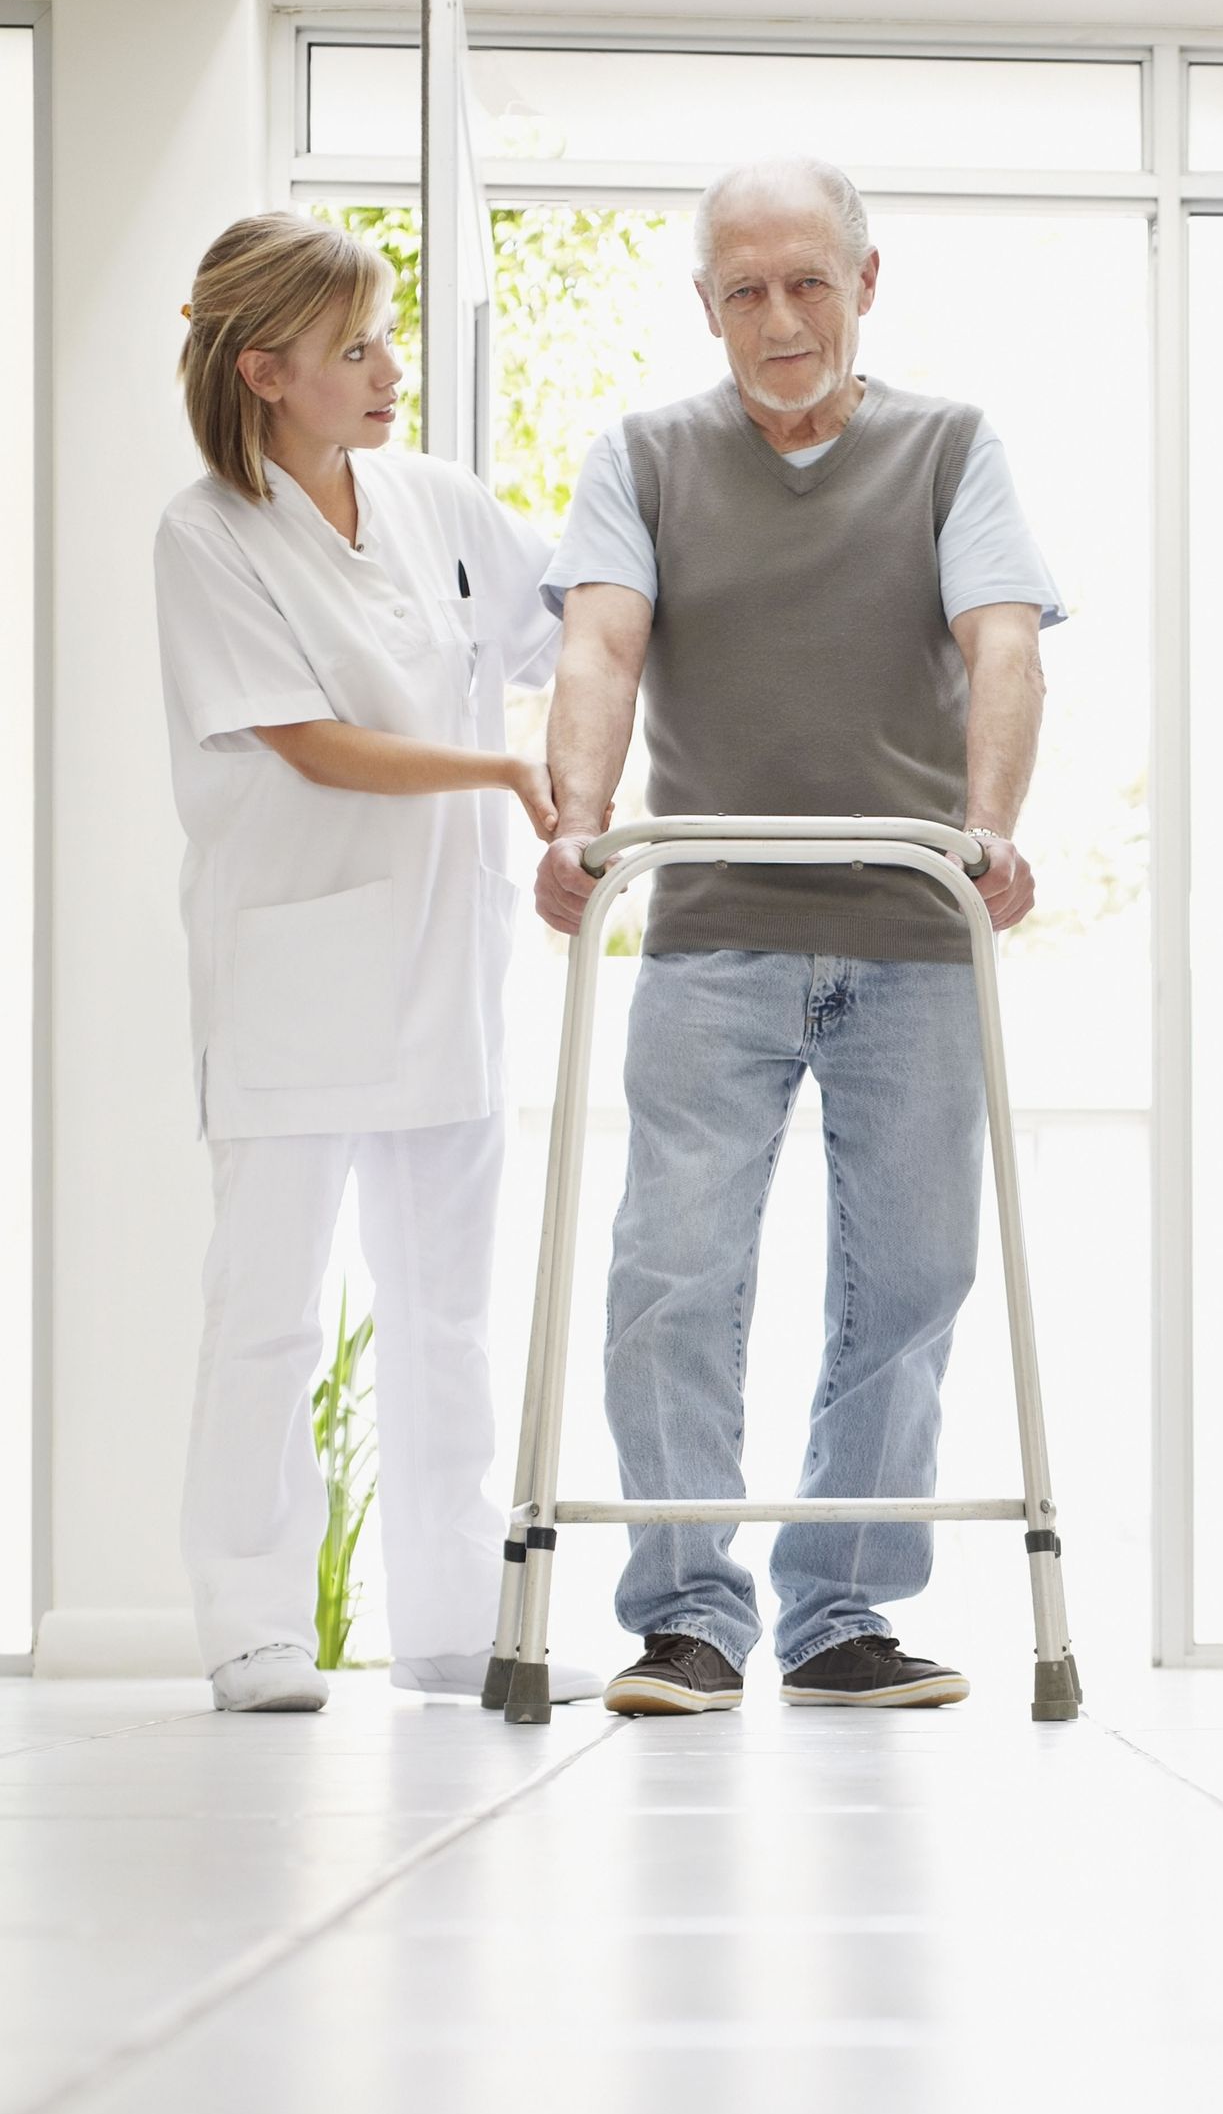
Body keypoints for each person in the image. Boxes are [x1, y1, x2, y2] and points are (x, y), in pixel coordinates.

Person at [537, 155, 1061, 1716]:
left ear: (865, 282)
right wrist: (579, 815)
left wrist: (990, 830)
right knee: (672, 1274)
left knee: (910, 1278)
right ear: (707, 302)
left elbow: (1007, 647)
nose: (781, 318)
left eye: (808, 282)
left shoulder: (952, 448)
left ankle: (839, 1614)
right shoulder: (640, 455)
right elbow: (598, 648)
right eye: (746, 290)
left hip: (910, 926)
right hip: (713, 926)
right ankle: (690, 1612)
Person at [154, 211, 598, 1712]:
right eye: (356, 350)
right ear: (267, 369)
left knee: (445, 1312)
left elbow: (574, 623)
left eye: (388, 337)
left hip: (444, 968)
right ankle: (254, 1620)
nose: (391, 368)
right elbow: (313, 743)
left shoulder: (438, 500)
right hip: (292, 976)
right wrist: (495, 771)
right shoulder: (207, 533)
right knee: (269, 1307)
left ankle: (455, 1620)